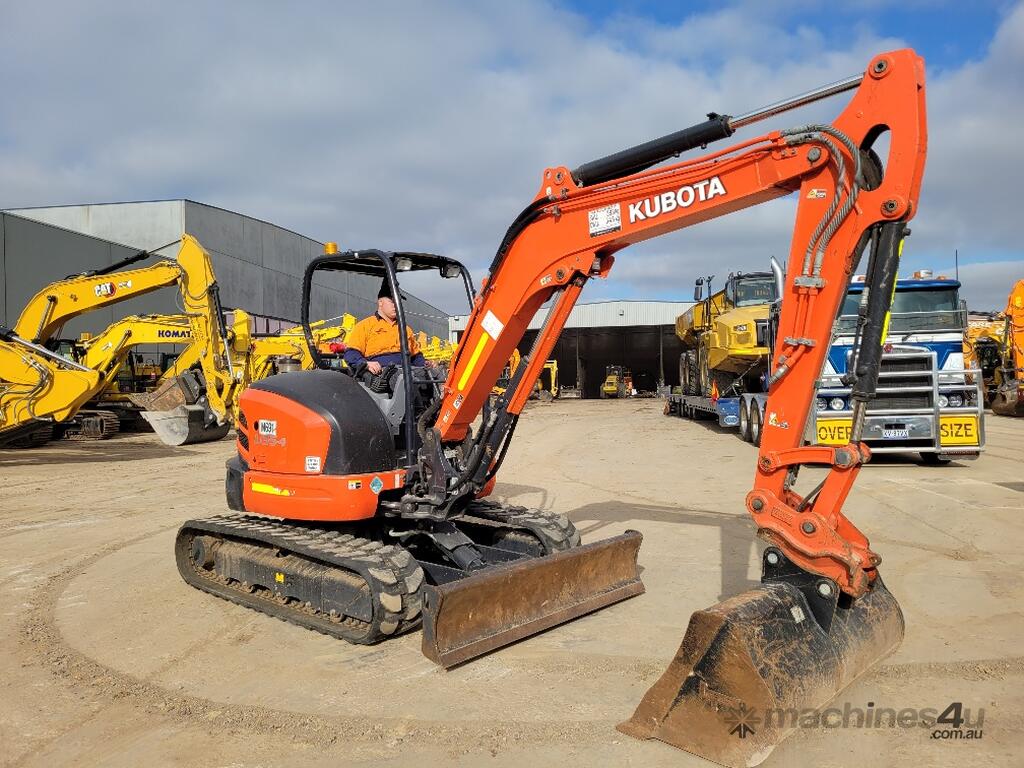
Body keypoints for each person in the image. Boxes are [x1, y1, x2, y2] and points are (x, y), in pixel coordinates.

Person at [343, 280, 432, 374]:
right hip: (382, 374)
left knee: (437, 374)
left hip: (408, 371)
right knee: (402, 378)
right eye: (392, 301)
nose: (396, 305)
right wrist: (365, 363)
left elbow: (416, 357)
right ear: (380, 303)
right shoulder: (365, 326)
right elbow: (351, 353)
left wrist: (425, 363)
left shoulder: (406, 329)